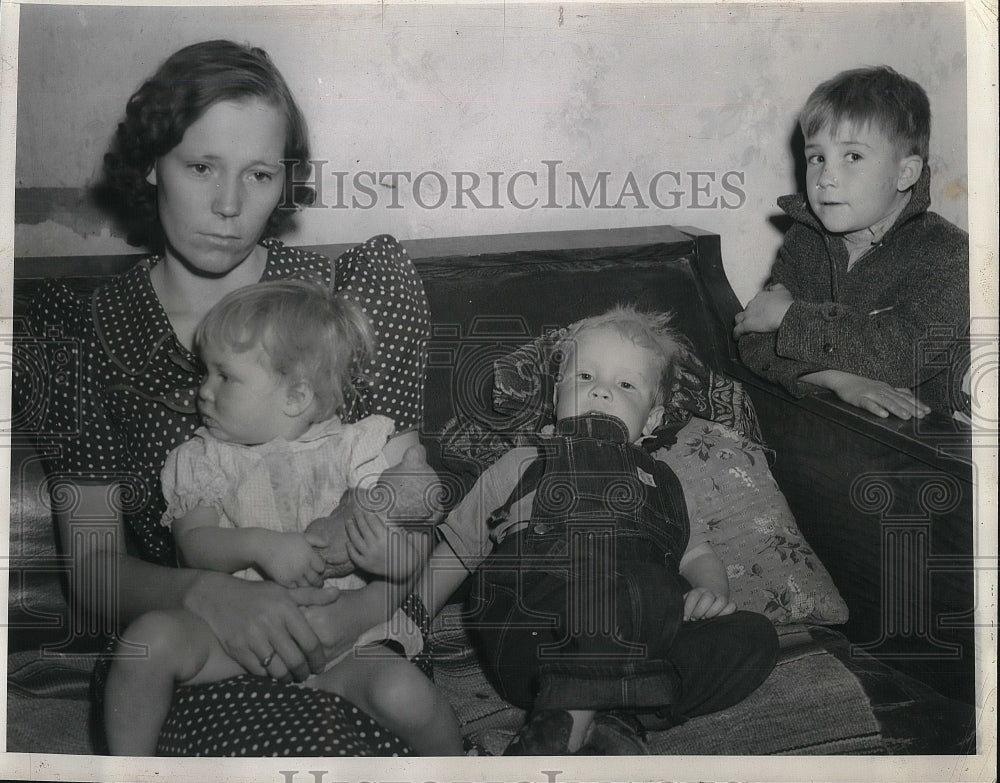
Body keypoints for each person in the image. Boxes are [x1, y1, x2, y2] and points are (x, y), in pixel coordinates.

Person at [22, 40, 434, 756]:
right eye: (201, 165)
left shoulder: (350, 302)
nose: (228, 205)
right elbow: (92, 568)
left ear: (285, 183)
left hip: (354, 637)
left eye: (260, 173)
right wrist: (202, 593)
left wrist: (360, 611)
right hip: (193, 653)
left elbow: (408, 503)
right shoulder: (82, 333)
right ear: (152, 163)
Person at [104, 280, 462, 756]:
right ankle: (129, 770)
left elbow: (409, 550)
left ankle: (459, 766)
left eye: (223, 377)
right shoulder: (202, 459)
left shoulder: (358, 451)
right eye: (204, 373)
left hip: (342, 648)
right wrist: (258, 545)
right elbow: (194, 545)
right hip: (233, 643)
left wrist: (388, 555)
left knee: (407, 694)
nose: (202, 392)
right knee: (144, 644)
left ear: (294, 396)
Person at [420, 306, 779, 755]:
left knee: (753, 635)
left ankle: (612, 716)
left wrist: (709, 592)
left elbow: (697, 555)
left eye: (625, 385)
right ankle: (578, 709)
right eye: (585, 376)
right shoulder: (522, 463)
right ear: (556, 397)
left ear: (651, 420)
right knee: (634, 585)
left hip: (638, 631)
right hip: (533, 627)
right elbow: (457, 550)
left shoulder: (663, 481)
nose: (601, 392)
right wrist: (411, 622)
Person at [733, 65, 969, 420]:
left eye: (853, 156)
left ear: (905, 173)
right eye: (817, 157)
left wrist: (787, 315)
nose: (826, 177)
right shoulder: (804, 239)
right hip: (829, 432)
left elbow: (901, 352)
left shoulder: (951, 254)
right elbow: (753, 339)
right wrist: (838, 379)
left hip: (920, 452)